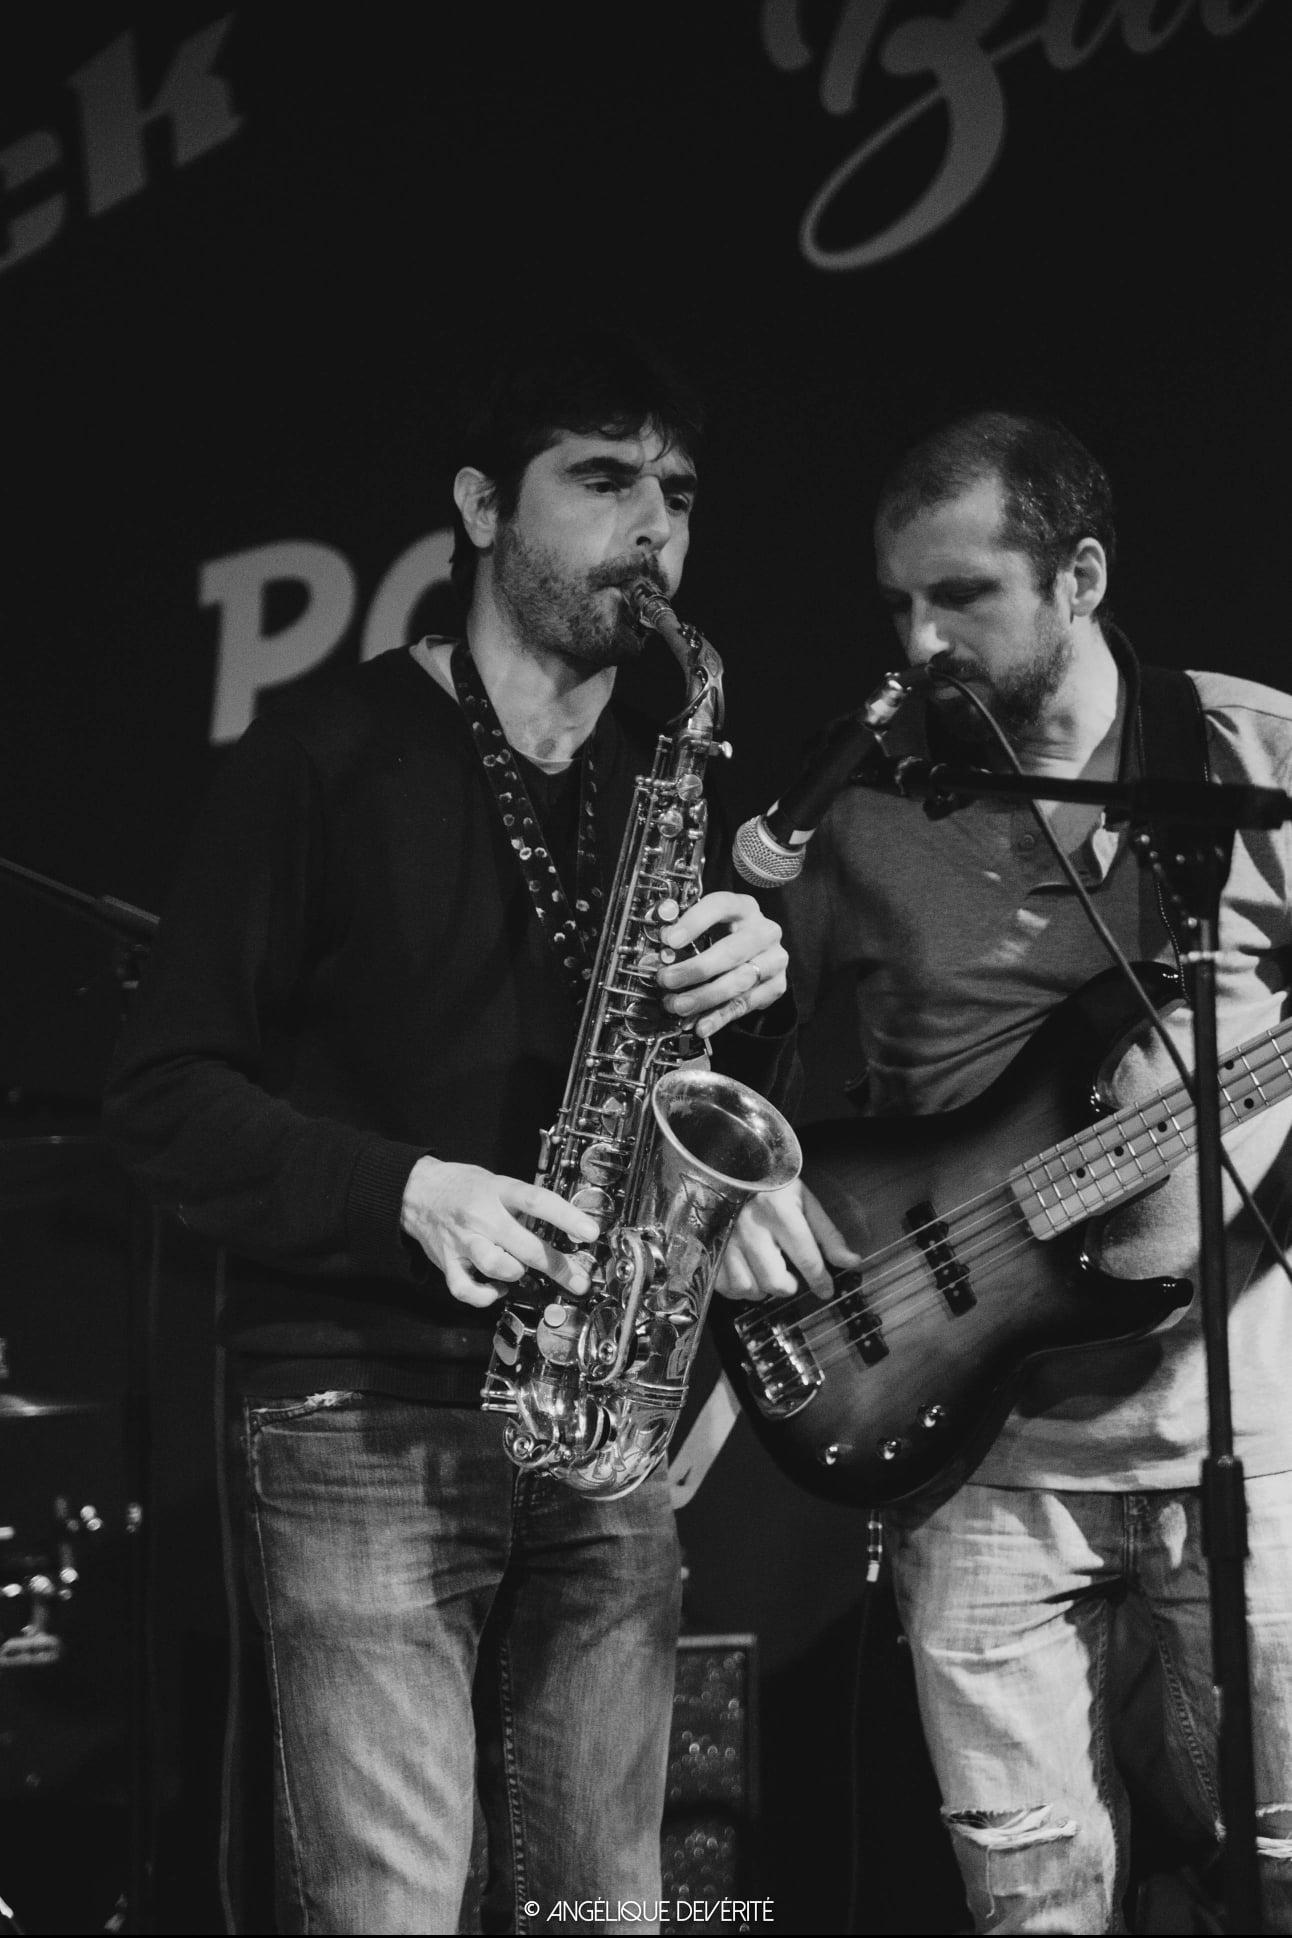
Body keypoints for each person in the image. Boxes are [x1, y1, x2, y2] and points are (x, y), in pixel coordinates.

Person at [101, 328, 795, 1936]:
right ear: (483, 506)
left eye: (678, 494)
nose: (653, 528)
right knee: (394, 1908)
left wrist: (756, 986)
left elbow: (681, 1093)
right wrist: (408, 1189)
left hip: (596, 1418)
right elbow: (162, 1090)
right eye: (603, 480)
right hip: (362, 1411)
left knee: (609, 1911)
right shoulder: (319, 755)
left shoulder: (660, 772)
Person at [719, 410, 1292, 1932]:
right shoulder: (862, 806)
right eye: (899, 603)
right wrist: (741, 1183)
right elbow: (714, 1048)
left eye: (962, 596)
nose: (920, 643)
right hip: (972, 1458)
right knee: (1032, 1904)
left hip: (1251, 1439)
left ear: (1080, 577)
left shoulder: (1258, 762)